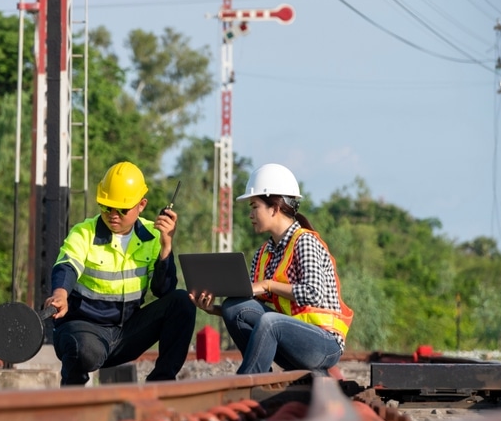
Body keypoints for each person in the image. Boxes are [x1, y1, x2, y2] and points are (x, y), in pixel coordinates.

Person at [191, 163, 354, 375]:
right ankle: (262, 378)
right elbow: (249, 313)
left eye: (254, 207)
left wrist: (267, 285)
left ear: (275, 208)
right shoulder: (263, 254)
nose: (250, 214)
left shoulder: (304, 242)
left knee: (271, 321)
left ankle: (247, 381)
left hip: (324, 344)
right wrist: (212, 309)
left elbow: (313, 293)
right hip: (290, 344)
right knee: (234, 306)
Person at [44, 161, 197, 386]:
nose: (113, 215)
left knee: (182, 302)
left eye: (122, 209)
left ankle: (161, 384)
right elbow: (67, 265)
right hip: (84, 330)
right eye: (106, 207)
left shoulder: (152, 237)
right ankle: (72, 393)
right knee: (83, 350)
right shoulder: (84, 232)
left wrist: (166, 247)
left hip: (126, 332)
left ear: (141, 205)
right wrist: (60, 293)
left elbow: (163, 291)